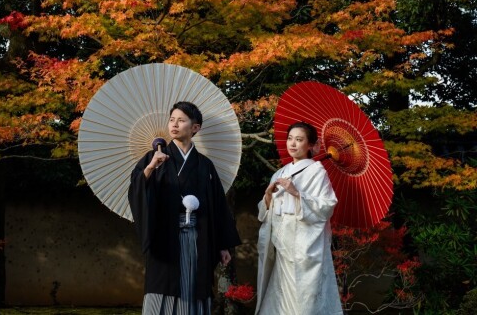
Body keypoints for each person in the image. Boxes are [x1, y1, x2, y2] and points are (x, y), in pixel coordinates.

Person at [128, 101, 241, 315]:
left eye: (181, 120)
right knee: (163, 285)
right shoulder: (154, 158)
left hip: (198, 237)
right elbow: (136, 189)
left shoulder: (205, 165)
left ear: (195, 127)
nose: (174, 124)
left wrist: (223, 245)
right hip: (164, 237)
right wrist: (151, 167)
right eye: (172, 120)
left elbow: (217, 204)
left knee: (194, 286)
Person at [255, 121, 343, 315]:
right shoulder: (280, 173)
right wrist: (268, 197)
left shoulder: (317, 172)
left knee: (304, 302)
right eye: (290, 138)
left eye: (299, 139)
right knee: (279, 300)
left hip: (303, 248)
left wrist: (296, 193)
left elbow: (326, 206)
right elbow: (266, 212)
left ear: (310, 145)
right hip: (281, 245)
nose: (292, 144)